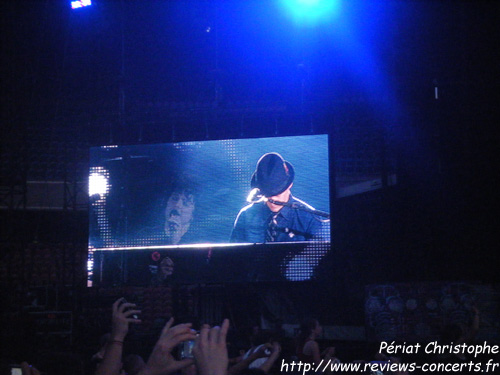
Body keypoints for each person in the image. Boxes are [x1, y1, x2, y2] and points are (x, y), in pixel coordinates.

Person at [230, 152, 329, 243]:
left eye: (277, 193)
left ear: (290, 185)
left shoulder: (309, 218)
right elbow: (233, 257)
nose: (273, 200)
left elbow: (320, 258)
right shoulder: (246, 216)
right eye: (267, 194)